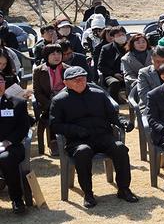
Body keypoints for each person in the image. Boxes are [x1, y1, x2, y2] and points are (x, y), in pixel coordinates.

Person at [49, 65, 137, 208]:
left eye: (82, 78)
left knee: (120, 148)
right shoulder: (59, 100)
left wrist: (124, 122)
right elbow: (55, 125)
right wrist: (76, 130)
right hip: (77, 140)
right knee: (83, 152)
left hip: (102, 135)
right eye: (75, 80)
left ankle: (124, 188)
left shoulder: (99, 95)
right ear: (66, 82)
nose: (80, 82)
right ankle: (88, 193)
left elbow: (113, 116)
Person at [0, 74, 32, 213]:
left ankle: (17, 199)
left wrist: (8, 141)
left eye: (0, 80)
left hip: (12, 145)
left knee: (6, 158)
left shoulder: (17, 103)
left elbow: (23, 127)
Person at [32, 43, 65, 155]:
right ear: (46, 56)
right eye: (53, 54)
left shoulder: (68, 69)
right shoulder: (38, 71)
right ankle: (53, 141)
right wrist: (50, 104)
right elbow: (37, 92)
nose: (57, 56)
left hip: (66, 100)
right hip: (48, 103)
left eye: (59, 53)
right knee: (52, 113)